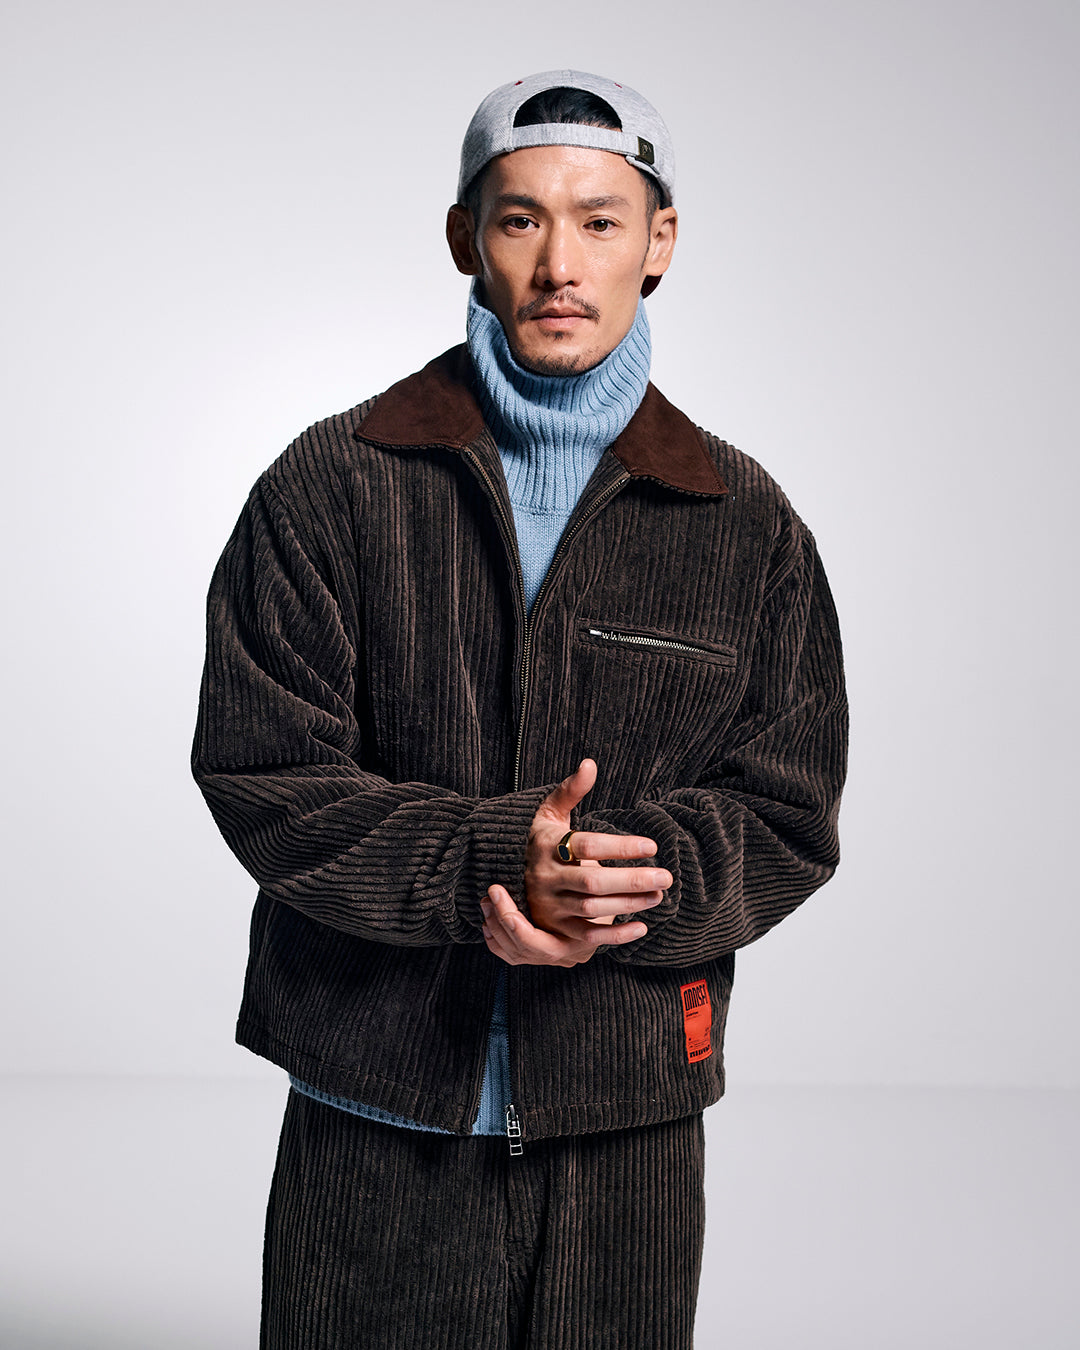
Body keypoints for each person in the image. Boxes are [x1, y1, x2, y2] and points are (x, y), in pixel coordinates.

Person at [193, 68, 848, 1350]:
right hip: (375, 1104)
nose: (561, 264)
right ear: (464, 238)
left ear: (660, 241)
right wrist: (495, 865)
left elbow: (788, 808)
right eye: (520, 219)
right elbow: (266, 774)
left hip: (626, 1119)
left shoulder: (747, 524)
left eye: (601, 220)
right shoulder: (330, 486)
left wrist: (613, 889)